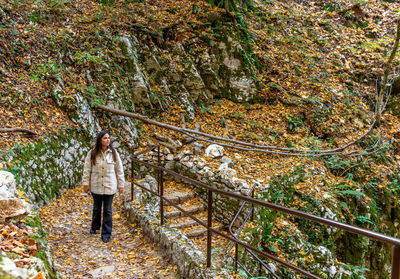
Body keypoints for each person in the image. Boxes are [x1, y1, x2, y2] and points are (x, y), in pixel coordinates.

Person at [81, 131, 124, 243]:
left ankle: (106, 234)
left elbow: (119, 170)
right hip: (96, 185)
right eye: (105, 138)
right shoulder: (92, 153)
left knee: (108, 210)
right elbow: (87, 169)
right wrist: (86, 184)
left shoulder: (114, 153)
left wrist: (121, 185)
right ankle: (95, 227)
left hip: (110, 185)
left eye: (108, 138)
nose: (108, 140)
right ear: (100, 140)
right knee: (96, 208)